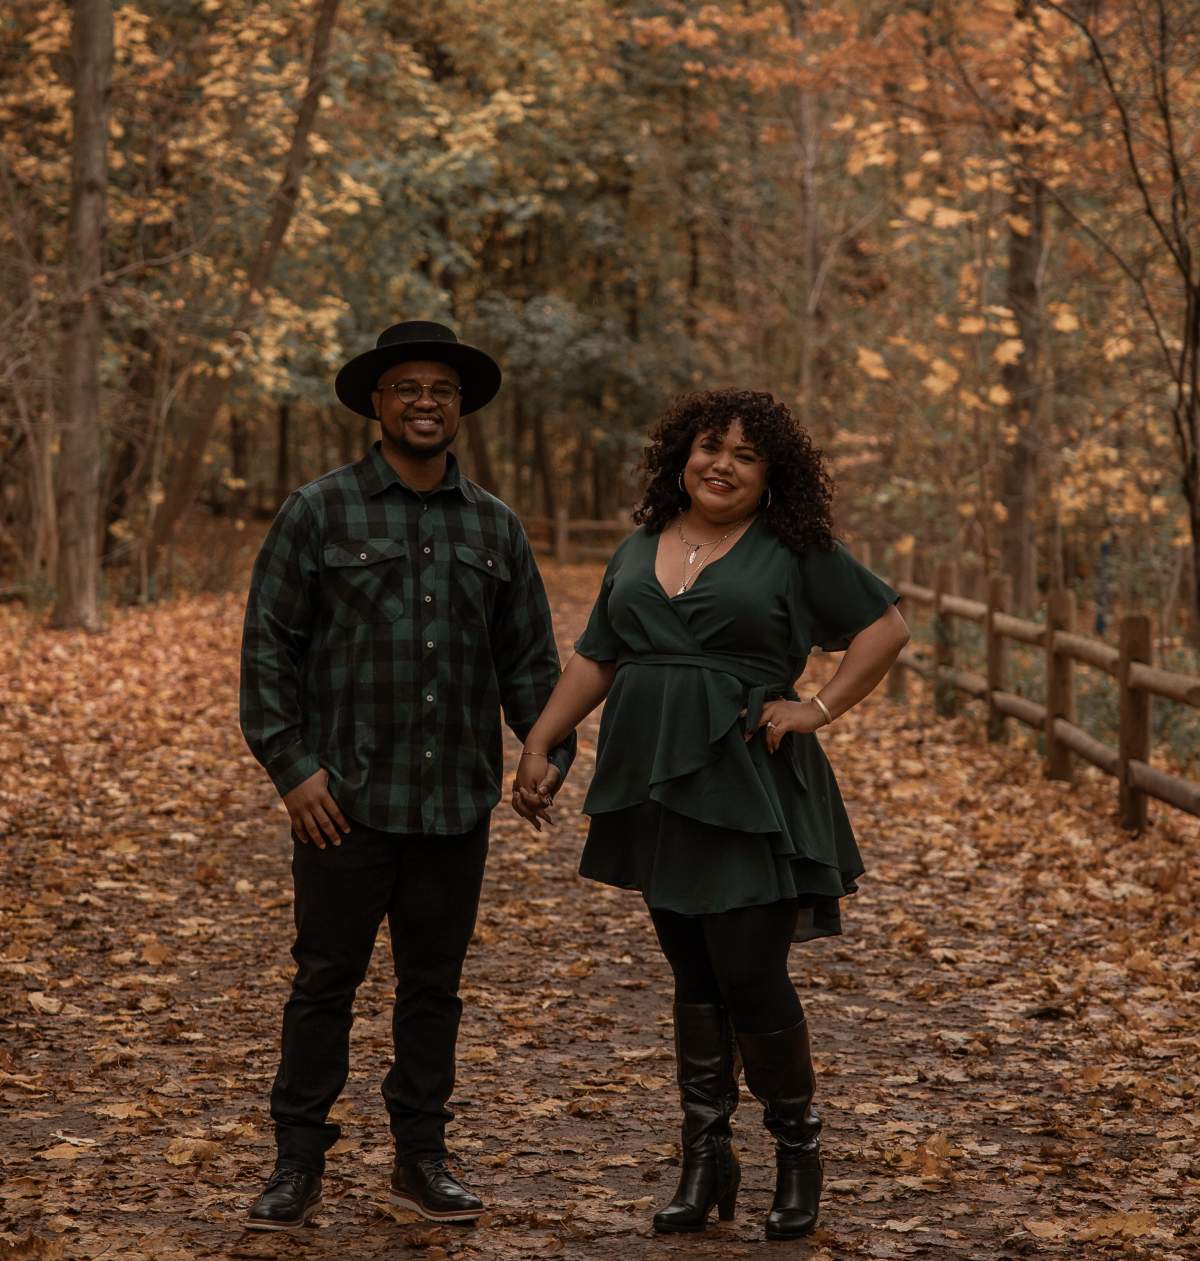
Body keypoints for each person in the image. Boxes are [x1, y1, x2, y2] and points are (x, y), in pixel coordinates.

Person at [513, 389, 909, 1241]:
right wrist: (542, 740)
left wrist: (820, 706)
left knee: (750, 972)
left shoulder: (794, 550)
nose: (720, 464)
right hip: (655, 781)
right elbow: (597, 656)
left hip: (751, 786)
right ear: (679, 457)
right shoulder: (636, 548)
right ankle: (705, 1154)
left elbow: (883, 629)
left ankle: (798, 1153)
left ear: (773, 476)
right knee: (692, 975)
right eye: (707, 447)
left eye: (745, 454)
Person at [239, 320, 573, 1231]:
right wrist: (292, 766)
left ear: (459, 407)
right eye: (408, 388)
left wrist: (544, 751)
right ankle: (295, 1161)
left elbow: (532, 663)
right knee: (324, 983)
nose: (427, 402)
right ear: (377, 403)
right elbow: (268, 647)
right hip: (340, 806)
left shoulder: (495, 525)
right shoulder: (320, 510)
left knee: (434, 987)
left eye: (443, 390)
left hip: (454, 805)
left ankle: (421, 1157)